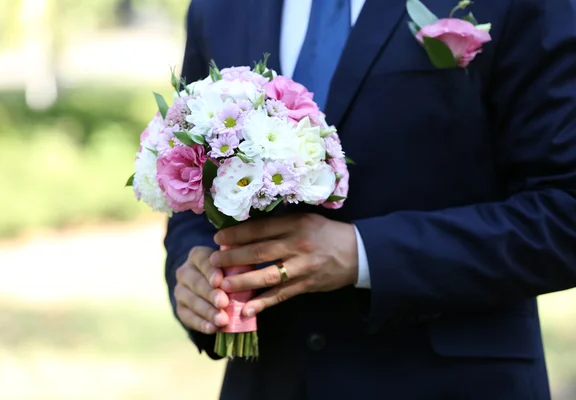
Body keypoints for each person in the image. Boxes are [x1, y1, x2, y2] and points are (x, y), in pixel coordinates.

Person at [164, 0, 576, 398]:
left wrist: (364, 254)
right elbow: (194, 184)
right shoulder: (217, 7)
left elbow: (564, 212)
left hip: (447, 381)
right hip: (270, 381)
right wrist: (197, 272)